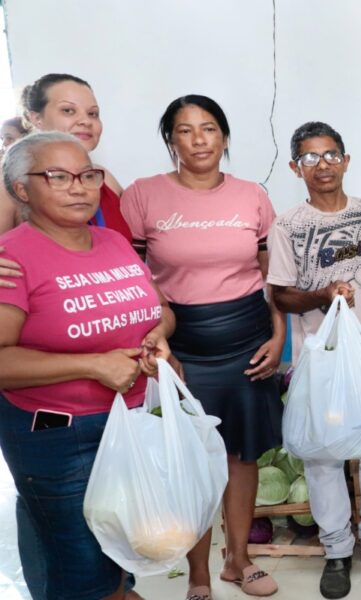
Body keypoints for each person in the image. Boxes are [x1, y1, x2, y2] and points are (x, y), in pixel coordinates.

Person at [121, 95, 284, 600]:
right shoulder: (143, 195)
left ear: (225, 137)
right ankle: (198, 573)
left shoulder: (252, 195)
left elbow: (273, 276)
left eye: (209, 128)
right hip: (180, 344)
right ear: (170, 140)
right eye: (185, 130)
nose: (198, 140)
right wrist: (159, 342)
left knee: (241, 457)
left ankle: (239, 560)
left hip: (248, 339)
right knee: (190, 461)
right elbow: (131, 275)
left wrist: (278, 335)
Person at [0, 131, 174, 600]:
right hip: (59, 435)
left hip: (129, 422)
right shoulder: (11, 258)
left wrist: (158, 336)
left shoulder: (113, 241)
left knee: (120, 549)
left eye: (88, 175)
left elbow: (161, 308)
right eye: (58, 176)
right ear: (21, 189)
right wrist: (93, 365)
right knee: (80, 566)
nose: (78, 187)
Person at [268, 121, 361, 599]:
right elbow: (281, 295)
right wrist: (323, 294)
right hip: (325, 362)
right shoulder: (288, 226)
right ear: (295, 167)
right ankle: (336, 549)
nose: (323, 165)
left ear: (346, 160)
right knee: (323, 455)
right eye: (310, 158)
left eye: (331, 155)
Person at [8, 74, 131, 241]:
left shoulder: (105, 179)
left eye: (93, 113)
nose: (85, 121)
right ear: (36, 118)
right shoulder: (10, 189)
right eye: (68, 110)